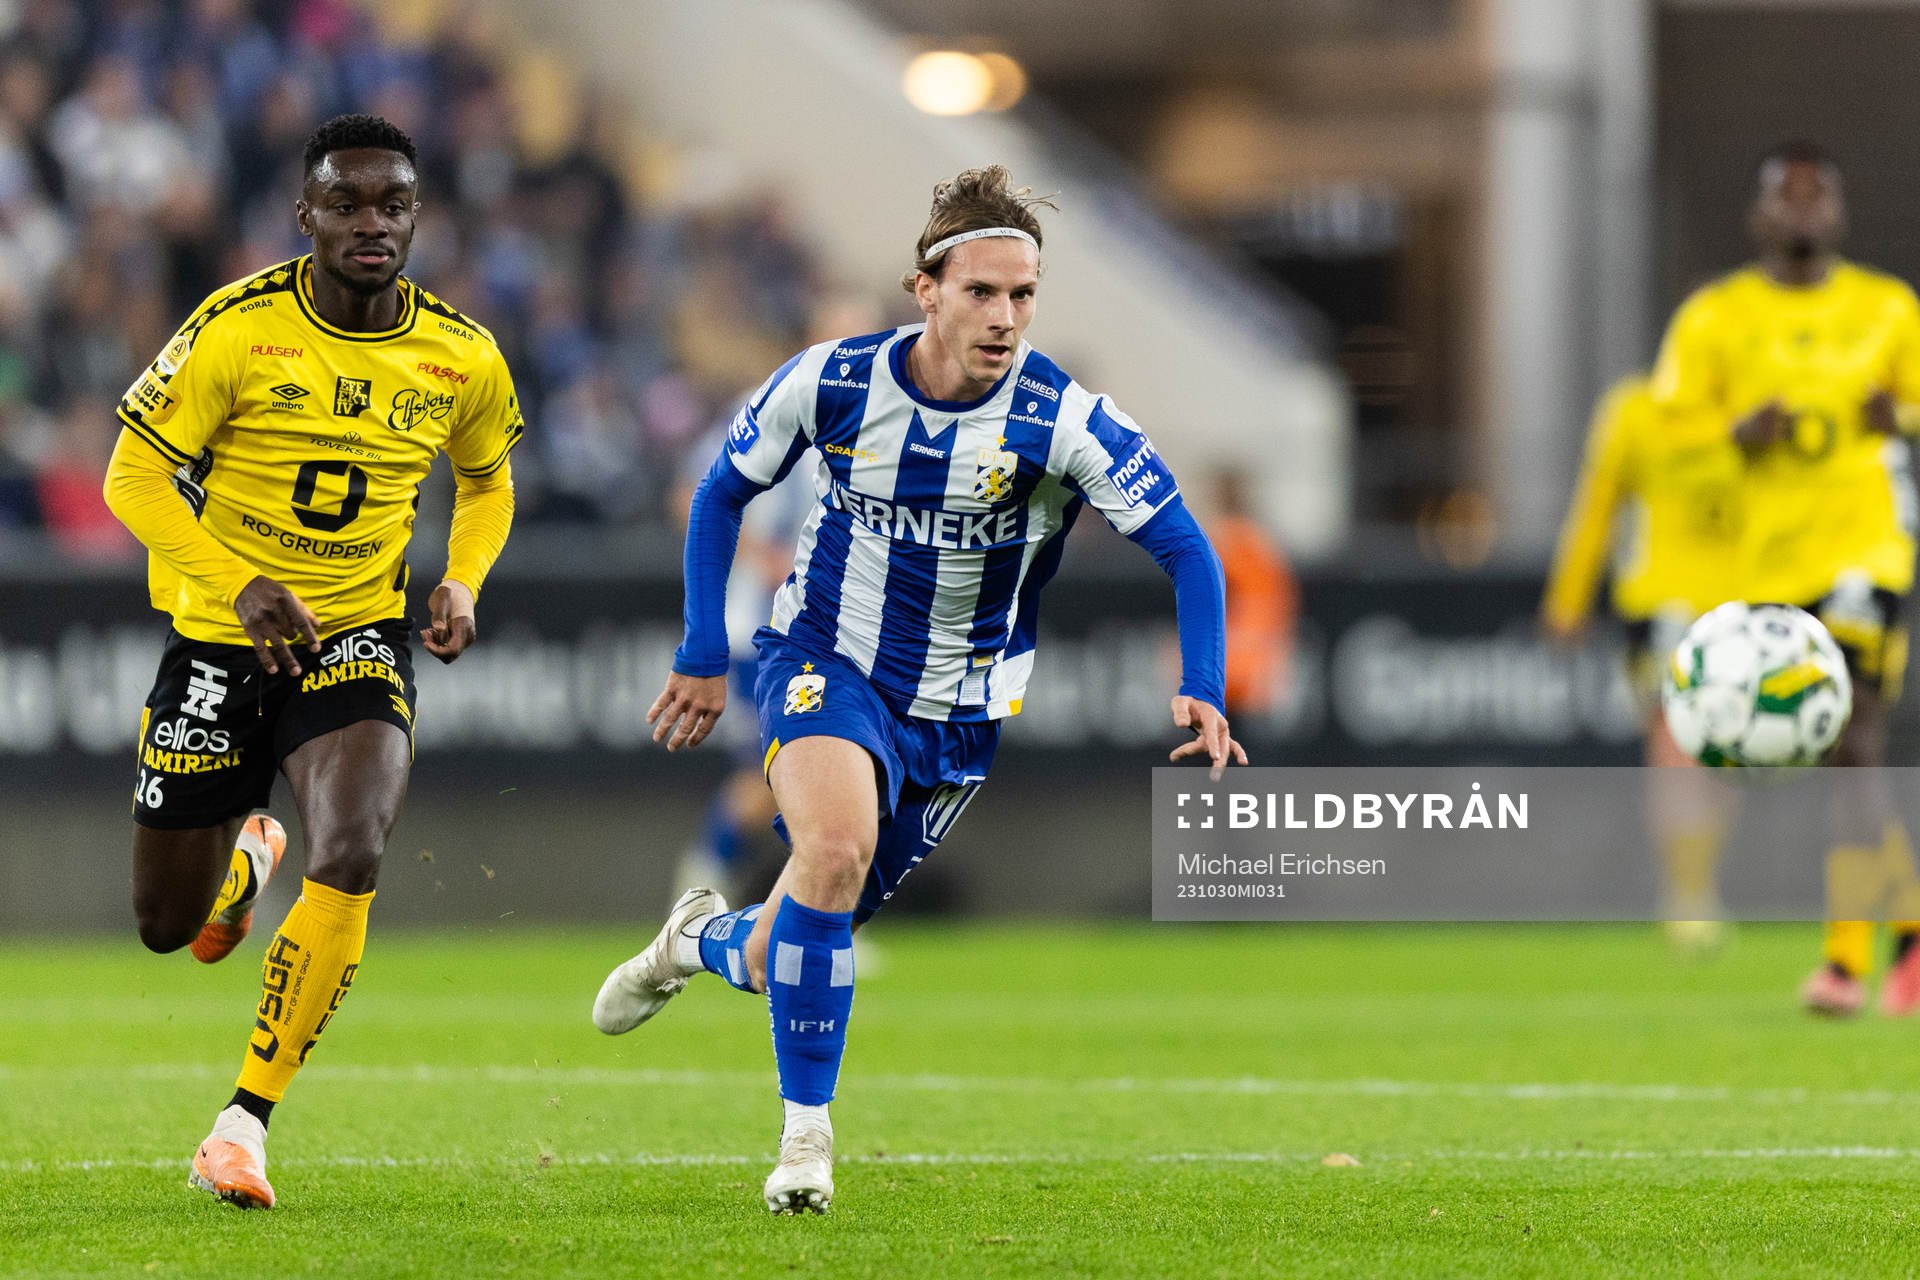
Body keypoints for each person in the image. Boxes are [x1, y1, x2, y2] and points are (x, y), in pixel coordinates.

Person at [593, 166, 1242, 1213]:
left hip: (959, 715)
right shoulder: (834, 381)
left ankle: (695, 939)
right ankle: (806, 1140)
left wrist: (1203, 681)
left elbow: (1187, 549)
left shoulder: (1065, 420)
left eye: (1023, 295)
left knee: (790, 938)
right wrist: (704, 648)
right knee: (834, 848)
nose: (1004, 317)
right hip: (825, 658)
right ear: (925, 290)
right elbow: (719, 494)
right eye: (981, 292)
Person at [102, 113, 521, 1207]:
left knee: (353, 845)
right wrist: (238, 583)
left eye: (393, 204)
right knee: (166, 926)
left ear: (418, 217)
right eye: (346, 203)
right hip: (218, 636)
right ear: (306, 215)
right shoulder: (236, 327)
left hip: (356, 634)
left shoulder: (462, 354)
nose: (371, 223)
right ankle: (244, 865)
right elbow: (130, 478)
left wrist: (463, 578)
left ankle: (241, 1124)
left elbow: (488, 481)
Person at [1650, 140, 1920, 1015]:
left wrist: (1901, 416)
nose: (1803, 207)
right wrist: (1731, 436)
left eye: (1817, 193)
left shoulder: (1889, 308)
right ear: (1757, 214)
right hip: (1767, 567)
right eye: (1786, 194)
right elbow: (1662, 438)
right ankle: (1911, 936)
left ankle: (1844, 962)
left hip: (1867, 549)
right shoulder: (1714, 318)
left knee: (1856, 735)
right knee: (1841, 754)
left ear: (1839, 211)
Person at [1541, 373, 1744, 949]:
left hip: (1741, 604)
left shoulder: (1757, 404)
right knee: (1675, 742)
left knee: (1728, 753)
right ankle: (1687, 895)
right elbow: (1598, 505)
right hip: (1662, 601)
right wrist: (1569, 597)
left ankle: (1697, 883)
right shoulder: (1635, 411)